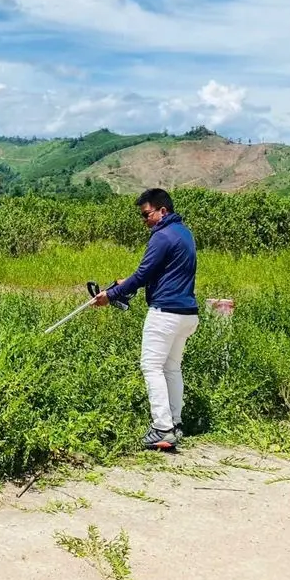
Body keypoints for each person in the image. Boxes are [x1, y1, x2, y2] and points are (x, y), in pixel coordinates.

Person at [89, 188, 199, 451]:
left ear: (163, 211)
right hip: (187, 315)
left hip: (165, 314)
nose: (144, 221)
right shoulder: (185, 233)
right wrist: (124, 284)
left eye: (146, 214)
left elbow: (142, 275)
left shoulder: (161, 236)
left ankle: (162, 428)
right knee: (172, 368)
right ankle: (175, 423)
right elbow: (159, 273)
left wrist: (111, 295)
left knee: (151, 367)